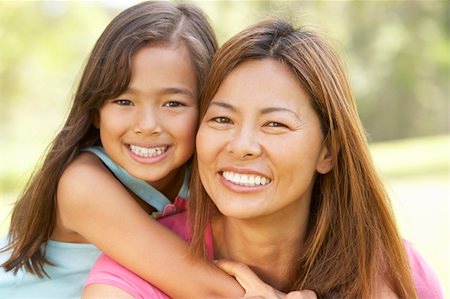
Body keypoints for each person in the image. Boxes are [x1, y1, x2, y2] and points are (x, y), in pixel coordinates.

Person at [83, 18, 443, 298]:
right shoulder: (133, 275)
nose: (242, 146)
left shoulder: (396, 273)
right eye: (222, 119)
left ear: (328, 151)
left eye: (275, 124)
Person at [0, 1, 246, 298]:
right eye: (124, 101)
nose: (147, 125)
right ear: (96, 110)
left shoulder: (210, 175)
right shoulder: (82, 184)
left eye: (173, 103)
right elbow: (205, 288)